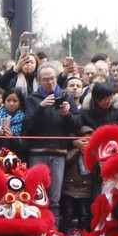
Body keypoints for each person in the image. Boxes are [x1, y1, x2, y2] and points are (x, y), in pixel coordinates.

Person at [26, 62, 79, 210]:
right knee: (34, 196)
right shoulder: (32, 99)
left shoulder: (66, 96)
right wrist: (40, 107)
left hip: (59, 153)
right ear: (39, 81)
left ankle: (54, 224)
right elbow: (29, 125)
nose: (50, 82)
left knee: (55, 199)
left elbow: (77, 124)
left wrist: (67, 114)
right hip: (37, 153)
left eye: (52, 78)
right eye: (46, 79)